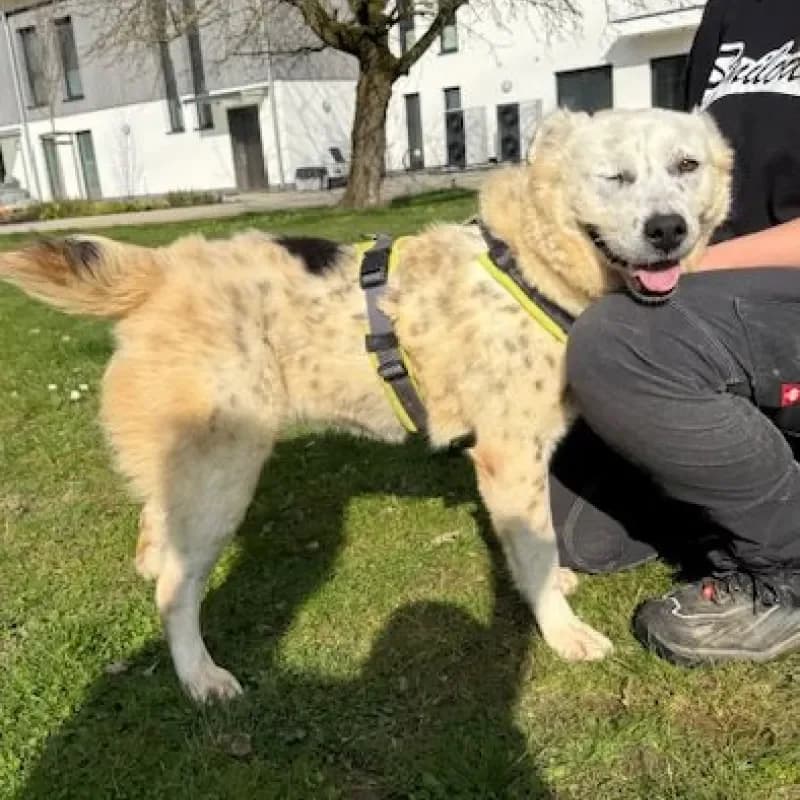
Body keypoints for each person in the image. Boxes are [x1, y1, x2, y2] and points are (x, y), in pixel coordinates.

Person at [551, 0, 800, 665]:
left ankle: (787, 566)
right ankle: (751, 477)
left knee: (615, 342)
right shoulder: (732, 13)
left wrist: (689, 262)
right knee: (576, 534)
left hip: (772, 292)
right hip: (725, 306)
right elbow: (691, 167)